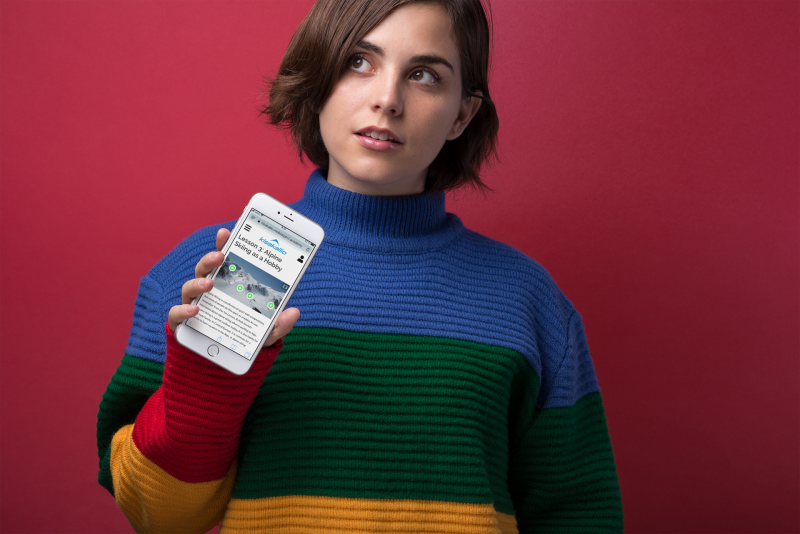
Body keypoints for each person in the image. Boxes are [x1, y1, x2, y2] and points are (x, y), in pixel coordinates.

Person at [96, 0, 624, 532]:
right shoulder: (201, 276)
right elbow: (157, 517)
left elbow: (578, 514)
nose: (387, 99)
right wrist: (203, 390)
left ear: (462, 115)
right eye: (358, 61)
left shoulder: (528, 300)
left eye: (424, 75)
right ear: (317, 77)